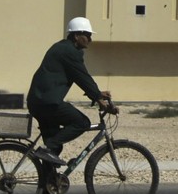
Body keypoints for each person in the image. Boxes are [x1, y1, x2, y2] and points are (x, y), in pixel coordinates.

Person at [27, 17, 115, 166]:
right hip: (47, 103)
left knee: (53, 150)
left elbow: (78, 77)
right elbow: (82, 76)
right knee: (81, 122)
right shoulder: (69, 52)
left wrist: (97, 97)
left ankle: (48, 187)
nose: (90, 39)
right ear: (76, 35)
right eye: (87, 35)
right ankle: (47, 149)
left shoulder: (63, 48)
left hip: (39, 102)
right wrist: (98, 94)